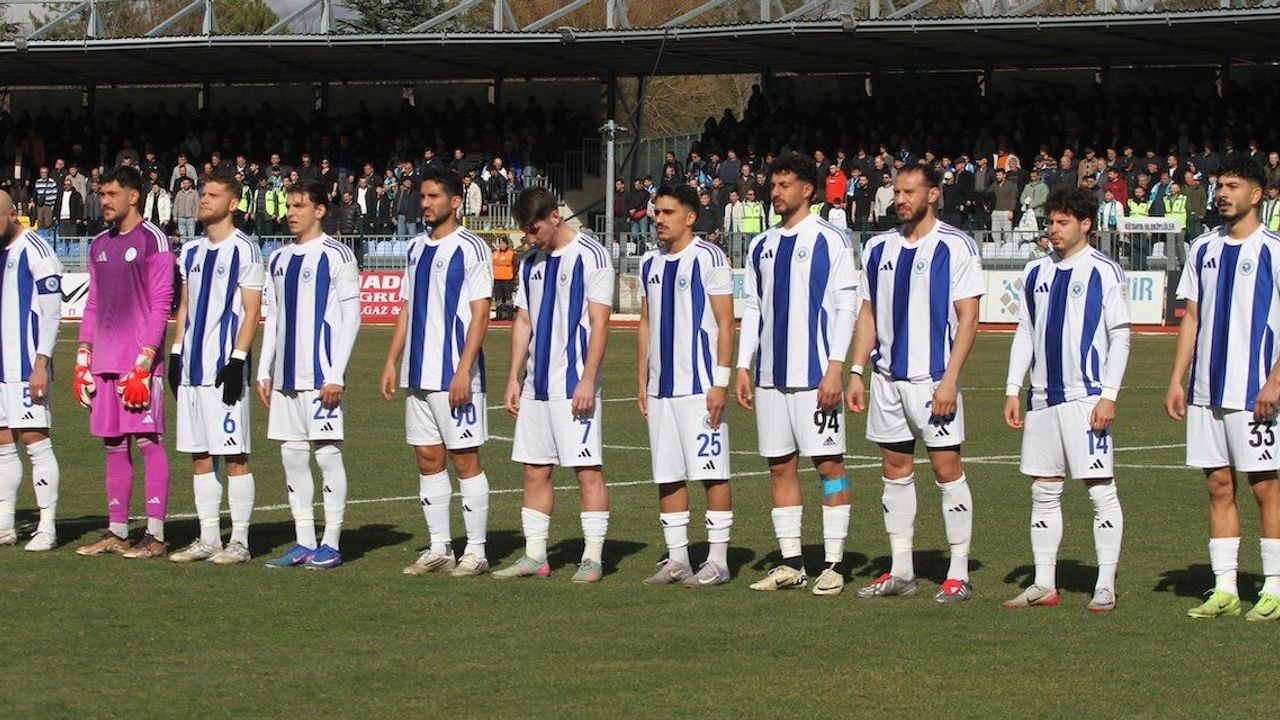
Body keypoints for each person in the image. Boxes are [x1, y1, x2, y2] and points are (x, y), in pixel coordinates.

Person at [846, 165, 983, 604]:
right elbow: (867, 313)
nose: (899, 199)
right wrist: (856, 371)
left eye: (909, 191)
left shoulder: (955, 246)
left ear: (933, 194)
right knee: (894, 470)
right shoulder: (877, 247)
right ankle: (902, 569)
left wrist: (950, 379)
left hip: (932, 381)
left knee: (946, 469)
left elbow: (968, 318)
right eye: (896, 191)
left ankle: (958, 572)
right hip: (887, 380)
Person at [734, 153, 857, 595]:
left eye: (784, 184)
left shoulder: (831, 239)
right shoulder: (761, 245)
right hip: (770, 377)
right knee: (780, 466)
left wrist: (835, 367)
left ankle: (834, 563)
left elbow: (847, 305)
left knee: (830, 466)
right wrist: (743, 364)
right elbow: (753, 307)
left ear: (807, 190)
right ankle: (791, 563)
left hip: (815, 376)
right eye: (773, 184)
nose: (776, 192)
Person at [1003, 187, 1130, 612]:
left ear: (1085, 224)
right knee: (1044, 489)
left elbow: (1120, 337)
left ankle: (1105, 584)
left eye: (1063, 222)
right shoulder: (1036, 271)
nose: (1053, 230)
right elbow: (1026, 331)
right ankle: (1044, 583)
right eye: (1050, 222)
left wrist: (1108, 396)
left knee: (1100, 490)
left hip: (1085, 397)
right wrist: (1013, 388)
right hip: (1042, 399)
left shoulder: (1103, 271)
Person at [1165, 160, 1280, 621]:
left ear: (1257, 195)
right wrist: (1177, 378)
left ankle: (1274, 588)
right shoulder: (1204, 247)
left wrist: (1275, 380)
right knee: (1217, 486)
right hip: (1205, 390)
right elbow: (1191, 316)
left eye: (1233, 185)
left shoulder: (1273, 249)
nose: (1223, 193)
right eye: (1219, 186)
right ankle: (1225, 588)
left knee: (1265, 488)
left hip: (1256, 391)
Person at [494, 187, 614, 583]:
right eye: (525, 231)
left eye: (534, 229)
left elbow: (600, 323)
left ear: (554, 217)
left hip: (574, 385)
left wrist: (588, 379)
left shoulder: (592, 255)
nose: (530, 238)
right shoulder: (530, 262)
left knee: (586, 471)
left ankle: (592, 558)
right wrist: (514, 377)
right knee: (534, 470)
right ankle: (535, 556)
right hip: (536, 386)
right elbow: (523, 321)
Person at [379, 169, 493, 577]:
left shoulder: (471, 248)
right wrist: (392, 360)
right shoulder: (414, 248)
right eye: (422, 197)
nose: (424, 203)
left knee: (464, 459)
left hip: (454, 375)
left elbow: (481, 313)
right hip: (417, 373)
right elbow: (406, 308)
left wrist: (463, 370)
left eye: (433, 196)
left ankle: (476, 551)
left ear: (455, 201)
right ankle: (440, 547)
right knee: (427, 458)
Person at [256, 180, 362, 570]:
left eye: (299, 205)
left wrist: (336, 374)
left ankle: (331, 542)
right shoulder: (278, 258)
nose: (291, 213)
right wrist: (264, 368)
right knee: (292, 456)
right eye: (289, 206)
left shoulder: (337, 255)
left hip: (320, 377)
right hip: (285, 377)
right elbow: (273, 317)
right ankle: (304, 540)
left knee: (327, 454)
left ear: (319, 210)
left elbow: (352, 317)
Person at [72, 166, 176, 559]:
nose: (104, 201)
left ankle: (155, 535)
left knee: (149, 443)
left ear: (133, 197)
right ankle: (117, 532)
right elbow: (93, 302)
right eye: (102, 194)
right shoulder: (99, 243)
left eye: (111, 194)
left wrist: (145, 362)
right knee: (114, 446)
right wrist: (83, 356)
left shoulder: (154, 240)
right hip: (104, 362)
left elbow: (161, 304)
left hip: (138, 365)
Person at [637, 185, 736, 587]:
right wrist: (642, 378)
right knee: (668, 473)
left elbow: (726, 323)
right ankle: (677, 558)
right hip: (661, 389)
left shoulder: (709, 257)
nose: (658, 219)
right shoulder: (649, 262)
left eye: (668, 212)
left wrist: (721, 382)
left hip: (699, 387)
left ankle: (718, 561)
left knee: (712, 472)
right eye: (657, 212)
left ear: (690, 217)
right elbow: (645, 322)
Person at [165, 171, 263, 565]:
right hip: (192, 368)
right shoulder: (189, 251)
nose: (204, 200)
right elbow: (185, 305)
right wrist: (176, 351)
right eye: (203, 194)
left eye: (213, 195)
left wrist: (238, 361)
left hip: (224, 369)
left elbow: (252, 310)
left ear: (233, 203)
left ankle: (239, 541)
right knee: (200, 455)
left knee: (235, 454)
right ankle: (208, 537)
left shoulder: (246, 249)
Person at [0, 191, 63, 551]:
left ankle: (47, 526)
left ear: (13, 214)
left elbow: (52, 314)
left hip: (26, 367)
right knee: (3, 446)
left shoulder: (37, 251)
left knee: (36, 442)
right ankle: (5, 524)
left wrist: (41, 364)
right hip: (0, 367)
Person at [492, 236, 515, 319]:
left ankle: (509, 315)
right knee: (498, 298)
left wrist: (512, 276)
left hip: (507, 278)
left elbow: (515, 266)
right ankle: (498, 315)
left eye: (504, 243)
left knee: (508, 298)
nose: (502, 245)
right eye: (501, 243)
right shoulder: (495, 253)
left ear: (507, 244)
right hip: (497, 278)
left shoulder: (511, 253)